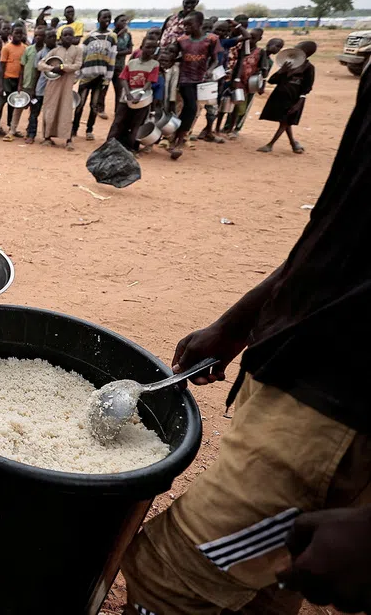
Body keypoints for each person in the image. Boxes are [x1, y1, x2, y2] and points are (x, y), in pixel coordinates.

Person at [121, 61, 371, 615]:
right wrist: (238, 325)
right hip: (298, 348)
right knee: (272, 581)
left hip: (340, 404)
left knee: (172, 574)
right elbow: (344, 226)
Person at [170, 11, 220, 160]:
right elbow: (174, 55)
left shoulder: (211, 39)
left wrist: (210, 71)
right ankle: (178, 140)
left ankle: (178, 137)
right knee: (190, 108)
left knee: (191, 109)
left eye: (189, 25)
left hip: (201, 80)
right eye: (184, 25)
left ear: (199, 24)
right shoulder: (181, 40)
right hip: (185, 78)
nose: (186, 28)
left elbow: (216, 60)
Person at [258, 42, 316, 154]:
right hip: (280, 96)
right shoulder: (289, 65)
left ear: (306, 53)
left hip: (294, 99)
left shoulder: (309, 68)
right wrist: (281, 71)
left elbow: (307, 88)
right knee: (285, 122)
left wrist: (299, 103)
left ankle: (270, 144)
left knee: (285, 122)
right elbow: (272, 80)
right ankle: (294, 144)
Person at [108, 34, 160, 151]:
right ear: (142, 47)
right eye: (148, 47)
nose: (150, 50)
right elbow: (124, 78)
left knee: (136, 123)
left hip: (143, 98)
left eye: (153, 48)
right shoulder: (132, 63)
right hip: (127, 96)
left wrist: (140, 94)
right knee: (119, 120)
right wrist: (128, 93)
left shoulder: (154, 64)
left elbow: (150, 81)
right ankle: (110, 143)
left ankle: (131, 147)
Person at [37, 25, 84, 150]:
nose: (68, 37)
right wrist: (53, 69)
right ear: (60, 37)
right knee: (50, 109)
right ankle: (47, 137)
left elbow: (78, 65)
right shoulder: (55, 51)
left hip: (67, 85)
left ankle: (68, 139)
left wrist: (63, 68)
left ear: (74, 37)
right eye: (65, 35)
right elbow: (40, 64)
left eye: (70, 35)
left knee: (66, 110)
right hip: (53, 84)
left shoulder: (78, 50)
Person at [227, 34, 280, 138]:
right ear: (268, 44)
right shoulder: (254, 52)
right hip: (240, 81)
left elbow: (264, 74)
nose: (277, 49)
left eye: (279, 47)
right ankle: (228, 126)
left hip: (251, 84)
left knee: (243, 107)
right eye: (276, 46)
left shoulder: (268, 60)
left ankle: (237, 128)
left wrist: (261, 85)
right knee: (233, 105)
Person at [76, 10, 117, 140]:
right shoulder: (89, 36)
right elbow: (82, 56)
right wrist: (78, 74)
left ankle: (89, 130)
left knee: (94, 105)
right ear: (98, 18)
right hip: (86, 75)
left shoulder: (112, 37)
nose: (107, 19)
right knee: (80, 104)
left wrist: (108, 78)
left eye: (109, 17)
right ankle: (74, 128)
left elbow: (112, 58)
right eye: (104, 17)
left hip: (100, 77)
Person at [23, 27, 54, 144]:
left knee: (50, 114)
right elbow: (36, 73)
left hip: (52, 89)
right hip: (40, 88)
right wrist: (34, 89)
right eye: (49, 37)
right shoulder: (41, 54)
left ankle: (48, 136)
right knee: (34, 112)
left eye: (54, 37)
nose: (52, 39)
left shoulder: (57, 52)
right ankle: (31, 134)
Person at [0, 23, 28, 140]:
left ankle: (12, 128)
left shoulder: (25, 48)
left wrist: (21, 83)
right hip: (7, 79)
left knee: (15, 104)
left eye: (20, 33)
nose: (18, 35)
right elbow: (2, 66)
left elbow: (23, 67)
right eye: (16, 33)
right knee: (2, 103)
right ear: (11, 34)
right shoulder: (6, 48)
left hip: (18, 80)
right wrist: (1, 84)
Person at [112, 13, 133, 114]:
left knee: (119, 90)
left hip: (120, 66)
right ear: (115, 23)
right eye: (122, 21)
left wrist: (116, 53)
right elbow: (109, 47)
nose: (125, 23)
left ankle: (117, 110)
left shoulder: (128, 36)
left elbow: (130, 50)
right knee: (103, 89)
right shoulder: (111, 35)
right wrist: (119, 34)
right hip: (108, 66)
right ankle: (100, 108)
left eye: (125, 21)